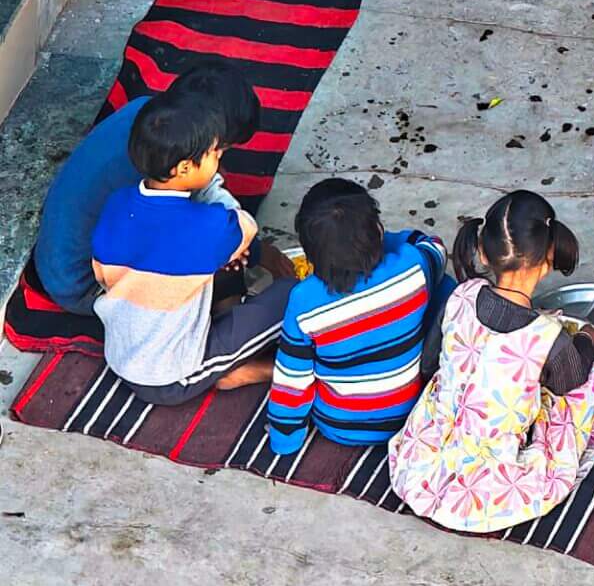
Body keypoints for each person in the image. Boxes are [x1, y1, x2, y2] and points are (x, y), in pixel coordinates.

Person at [387, 191, 594, 533]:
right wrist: (589, 340)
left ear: (483, 251)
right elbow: (567, 381)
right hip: (490, 480)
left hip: (426, 457)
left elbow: (429, 362)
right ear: (550, 256)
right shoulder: (546, 335)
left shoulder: (462, 295)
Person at [33, 61, 290, 315]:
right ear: (185, 163)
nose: (220, 158)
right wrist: (254, 251)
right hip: (83, 286)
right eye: (218, 151)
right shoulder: (148, 173)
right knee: (218, 262)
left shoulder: (149, 121)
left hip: (60, 264)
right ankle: (225, 326)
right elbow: (207, 231)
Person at [89, 91, 291, 403]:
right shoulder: (207, 225)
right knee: (290, 295)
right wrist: (210, 186)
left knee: (222, 261)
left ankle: (226, 322)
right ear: (184, 168)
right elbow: (244, 225)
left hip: (123, 352)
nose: (219, 158)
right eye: (213, 153)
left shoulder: (117, 203)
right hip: (170, 377)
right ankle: (247, 370)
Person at [265, 179, 453, 457]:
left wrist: (285, 441)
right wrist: (387, 242)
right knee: (445, 286)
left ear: (310, 253)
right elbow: (435, 247)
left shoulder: (304, 300)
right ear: (377, 230)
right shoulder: (412, 264)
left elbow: (292, 381)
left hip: (338, 426)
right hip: (408, 414)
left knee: (300, 356)